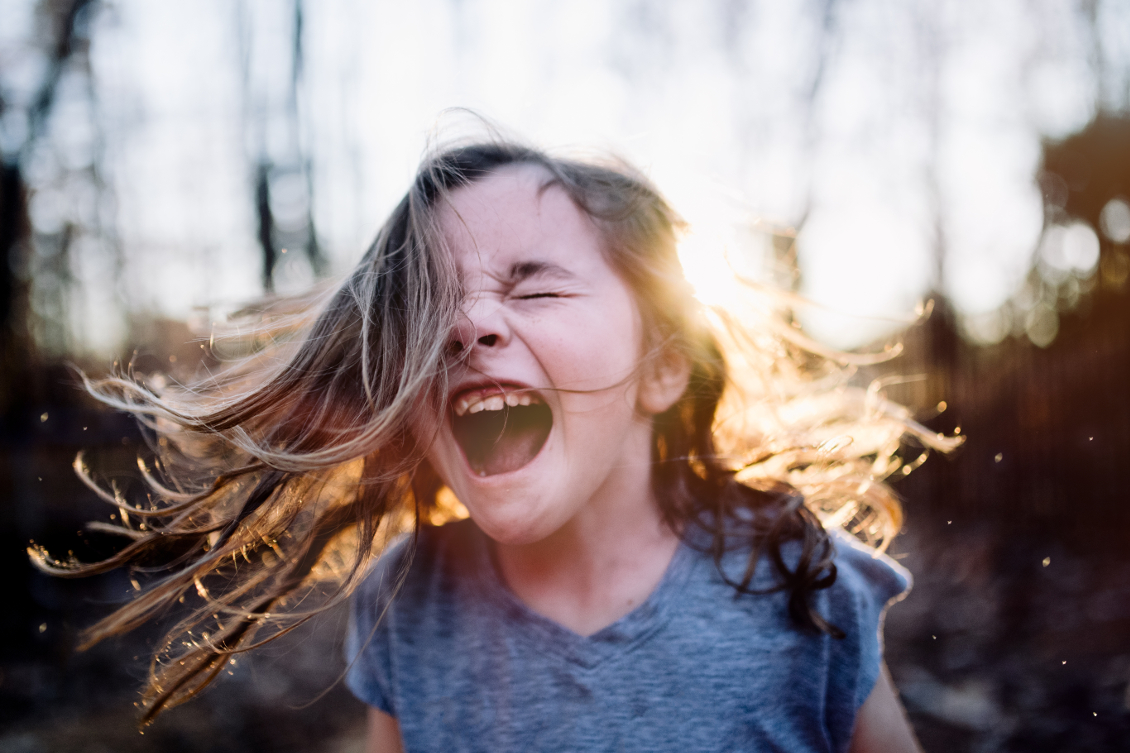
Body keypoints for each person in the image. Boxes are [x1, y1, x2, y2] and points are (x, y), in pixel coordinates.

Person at [34, 134, 956, 751]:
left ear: (662, 368)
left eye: (536, 288)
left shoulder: (805, 584)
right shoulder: (407, 599)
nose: (466, 323)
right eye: (430, 303)